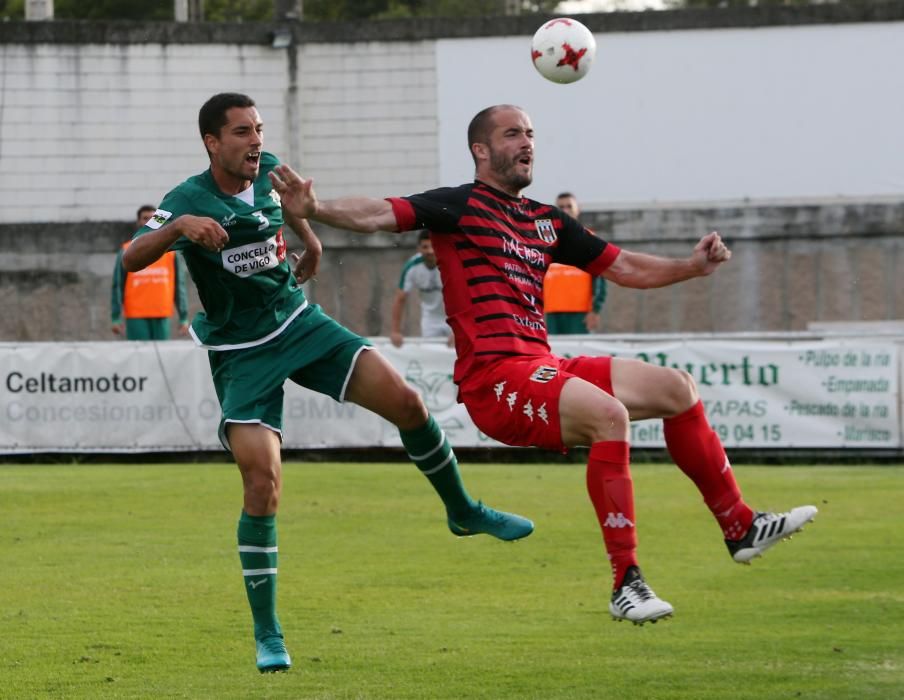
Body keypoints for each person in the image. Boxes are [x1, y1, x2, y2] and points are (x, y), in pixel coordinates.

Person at [267, 103, 818, 626]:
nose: (527, 143)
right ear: (481, 151)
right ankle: (626, 582)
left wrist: (691, 267)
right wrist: (315, 209)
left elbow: (623, 266)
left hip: (541, 365)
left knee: (677, 388)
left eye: (530, 134)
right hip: (495, 380)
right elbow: (380, 212)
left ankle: (739, 526)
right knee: (610, 417)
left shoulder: (547, 222)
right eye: (513, 134)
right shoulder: (457, 205)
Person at [121, 93, 533, 673]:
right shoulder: (185, 200)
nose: (256, 140)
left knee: (408, 403)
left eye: (259, 129)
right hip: (241, 353)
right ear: (212, 142)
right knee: (262, 482)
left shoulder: (269, 170)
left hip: (298, 322)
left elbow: (289, 209)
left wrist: (310, 239)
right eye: (242, 132)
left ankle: (463, 510)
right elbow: (132, 258)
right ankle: (267, 633)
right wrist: (179, 228)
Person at [111, 205, 190, 340]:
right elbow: (118, 285)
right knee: (139, 357)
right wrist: (115, 317)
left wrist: (183, 317)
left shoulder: (171, 251)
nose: (148, 221)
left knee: (161, 358)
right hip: (136, 315)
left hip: (162, 312)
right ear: (139, 221)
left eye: (153, 218)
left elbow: (179, 285)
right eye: (145, 218)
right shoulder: (127, 250)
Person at [543, 193, 606, 334]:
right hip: (551, 313)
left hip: (580, 313)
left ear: (578, 209)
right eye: (561, 207)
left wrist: (595, 310)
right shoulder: (545, 241)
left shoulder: (590, 240)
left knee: (580, 354)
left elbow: (600, 278)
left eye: (569, 206)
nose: (565, 210)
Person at [390, 230, 453, 347]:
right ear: (418, 248)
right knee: (432, 356)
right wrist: (395, 331)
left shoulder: (450, 263)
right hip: (430, 319)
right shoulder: (412, 266)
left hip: (453, 317)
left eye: (433, 246)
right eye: (425, 247)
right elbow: (400, 298)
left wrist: (461, 325)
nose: (430, 251)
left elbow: (463, 295)